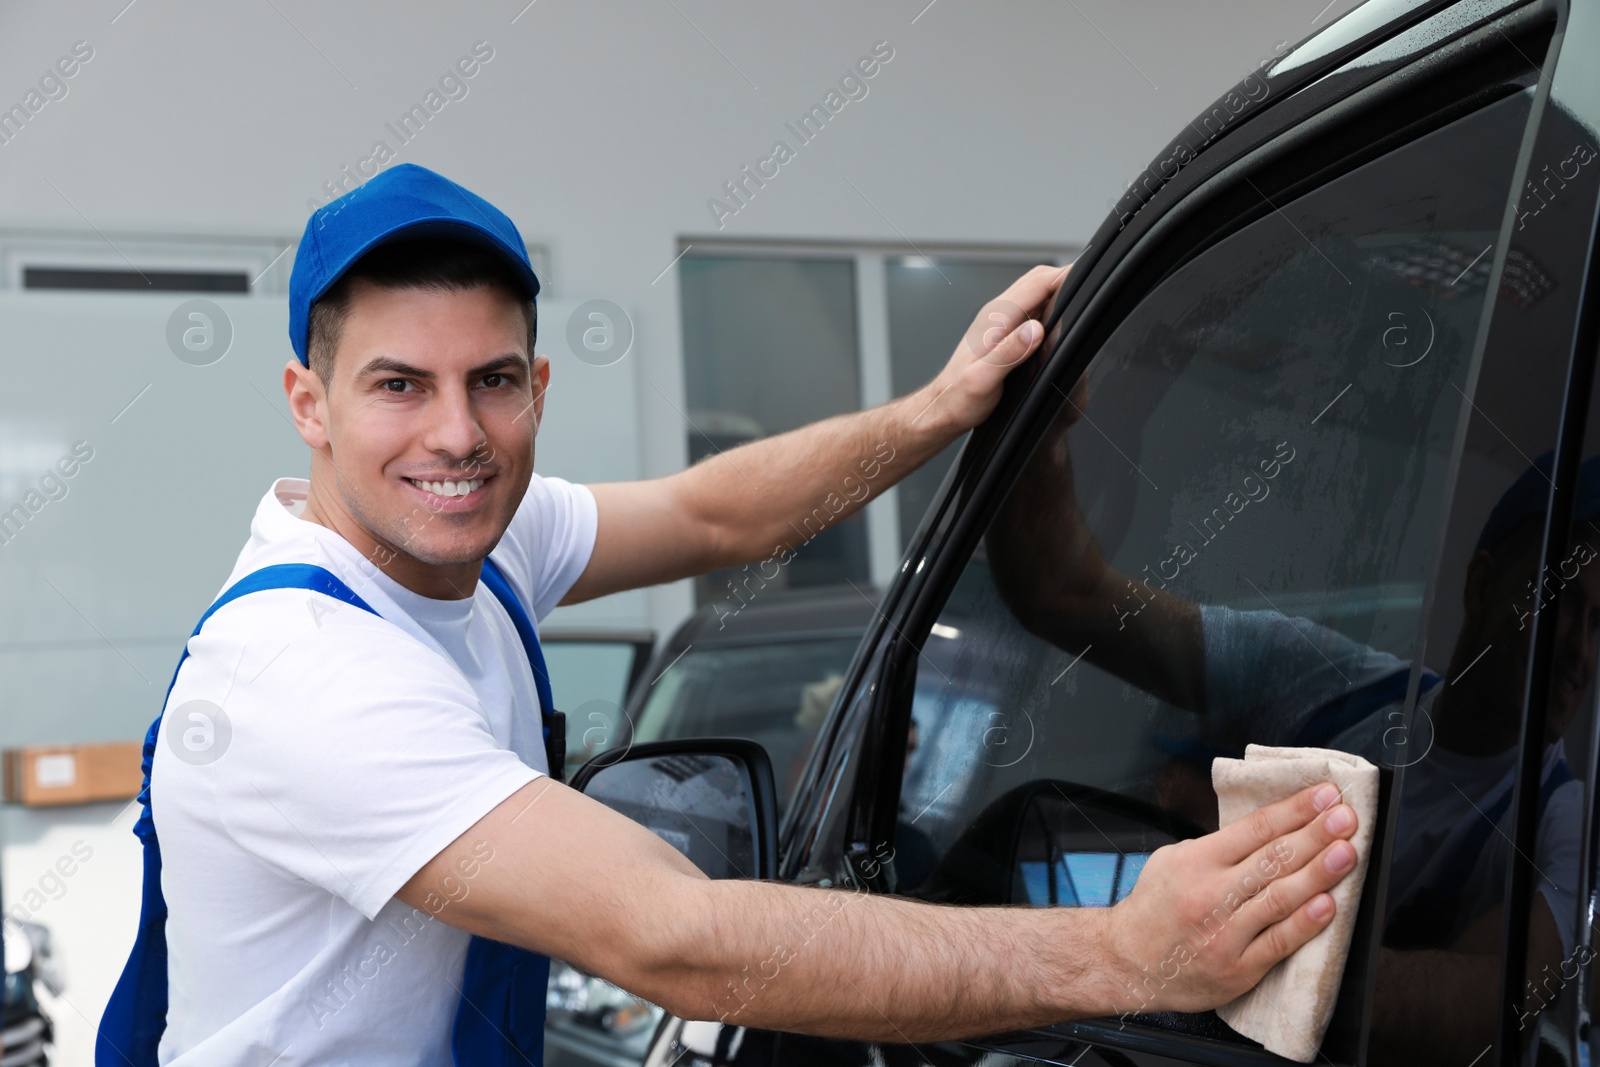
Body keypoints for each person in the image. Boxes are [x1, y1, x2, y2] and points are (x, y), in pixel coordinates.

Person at [96, 164, 1360, 1066]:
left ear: (535, 385)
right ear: (306, 403)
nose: (456, 435)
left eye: (491, 382)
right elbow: (677, 934)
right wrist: (1125, 956)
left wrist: (933, 413)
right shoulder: (303, 673)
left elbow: (710, 517)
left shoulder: (468, 545)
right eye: (396, 385)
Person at [986, 389, 1598, 1064]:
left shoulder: (1559, 819)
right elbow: (1060, 592)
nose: (1581, 649)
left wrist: (1242, 922)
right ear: (1482, 586)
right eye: (1565, 601)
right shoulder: (1331, 683)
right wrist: (1044, 409)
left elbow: (1493, 1007)